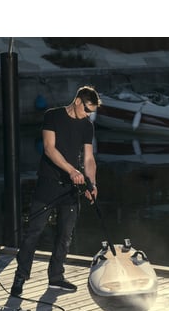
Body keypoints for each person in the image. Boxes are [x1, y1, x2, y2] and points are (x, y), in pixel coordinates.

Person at [10, 85, 101, 297]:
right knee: (33, 232)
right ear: (77, 101)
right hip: (48, 183)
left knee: (65, 235)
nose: (89, 114)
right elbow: (49, 148)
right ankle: (20, 277)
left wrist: (92, 184)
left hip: (71, 188)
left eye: (92, 112)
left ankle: (56, 277)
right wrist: (72, 170)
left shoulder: (87, 126)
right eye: (87, 109)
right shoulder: (52, 116)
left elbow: (89, 158)